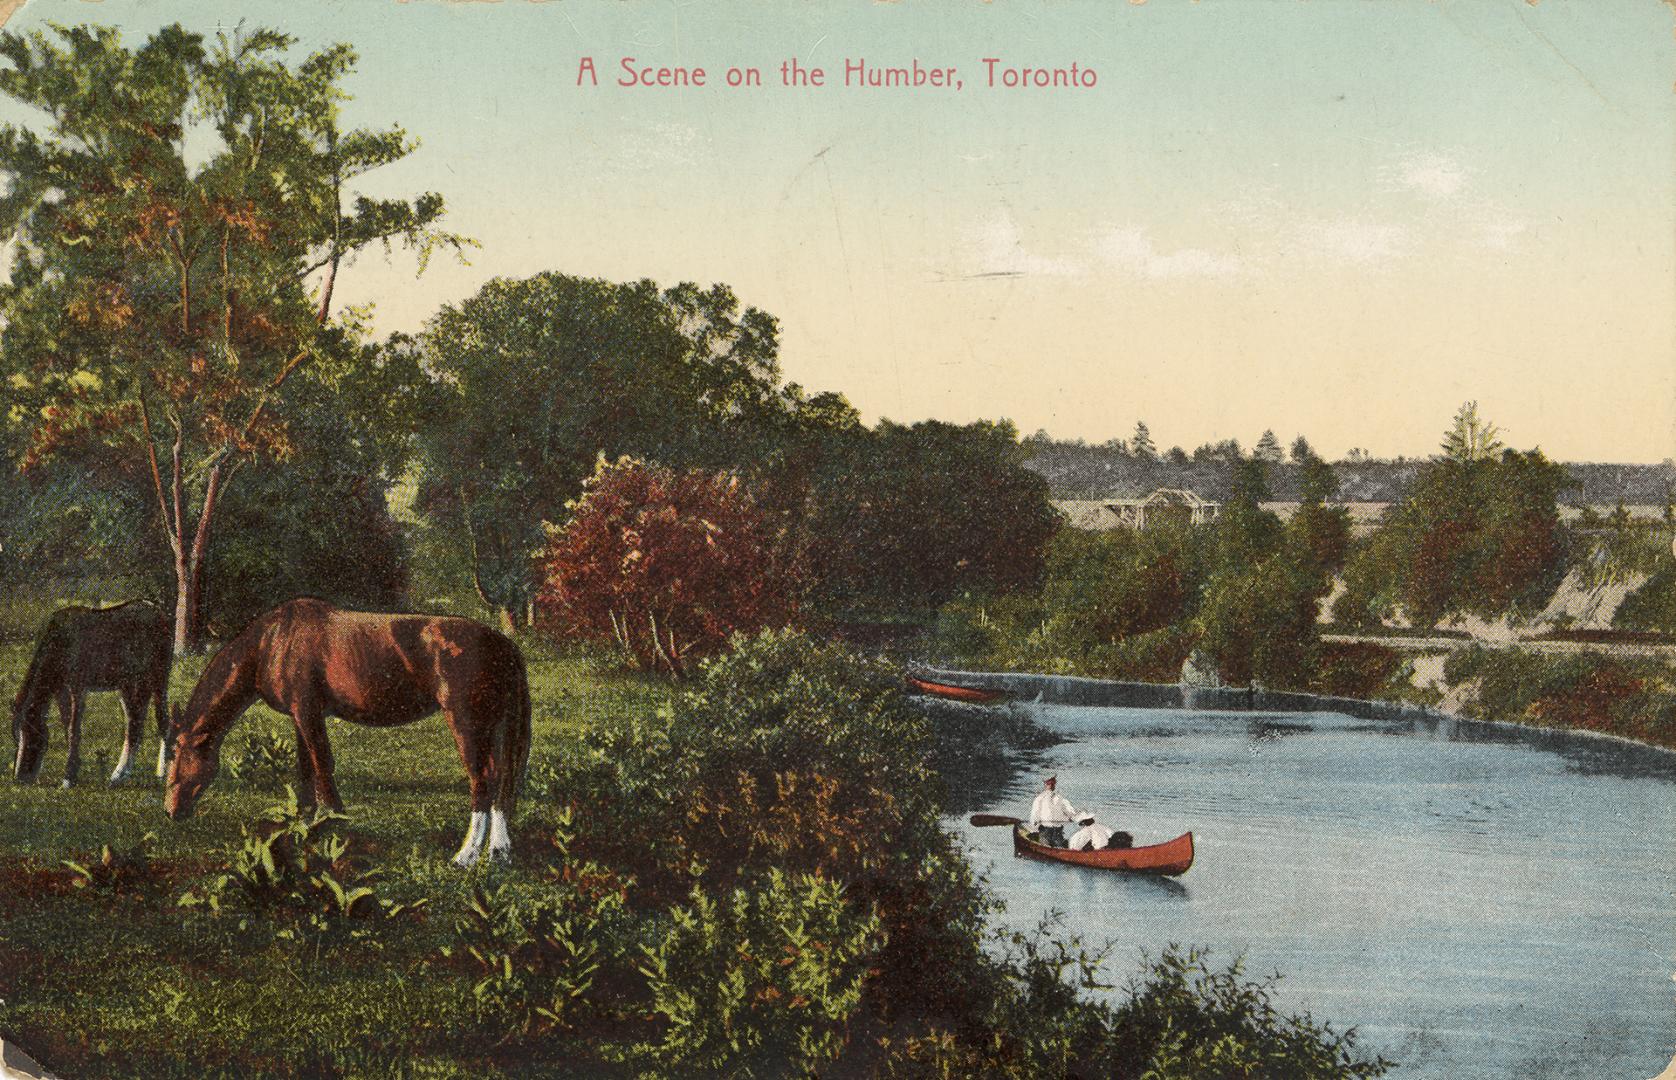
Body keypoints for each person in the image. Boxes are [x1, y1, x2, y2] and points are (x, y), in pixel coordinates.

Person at [1028, 775, 1079, 847]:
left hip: (1045, 831)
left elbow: (1034, 817)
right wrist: (1072, 818)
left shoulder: (1039, 798)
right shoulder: (1060, 798)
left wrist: (1032, 830)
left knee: (1044, 846)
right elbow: (1071, 813)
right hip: (1057, 831)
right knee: (1059, 846)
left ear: (1045, 784)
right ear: (1054, 785)